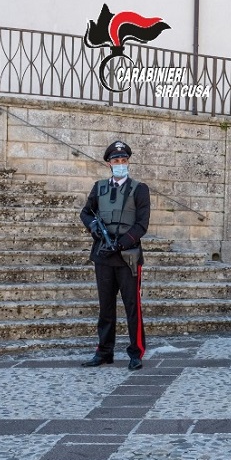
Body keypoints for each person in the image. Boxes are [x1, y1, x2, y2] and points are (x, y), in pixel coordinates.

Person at [79, 140, 150, 371]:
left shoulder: (140, 189)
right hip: (103, 255)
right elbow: (86, 212)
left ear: (128, 162)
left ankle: (136, 352)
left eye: (124, 160)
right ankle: (104, 352)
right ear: (109, 163)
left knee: (132, 307)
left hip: (128, 256)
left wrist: (120, 243)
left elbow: (142, 225)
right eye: (116, 160)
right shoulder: (99, 187)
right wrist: (94, 228)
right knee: (105, 307)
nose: (120, 164)